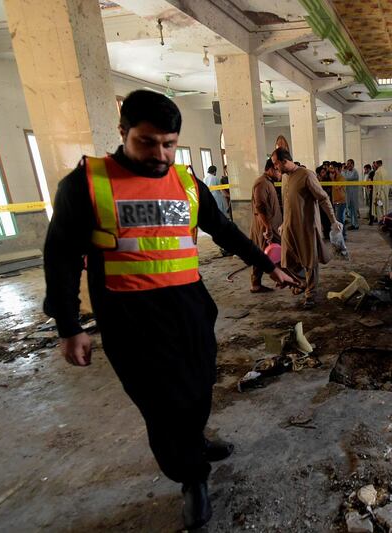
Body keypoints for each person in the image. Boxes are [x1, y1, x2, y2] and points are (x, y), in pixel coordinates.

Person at [42, 90, 296, 530]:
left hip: (190, 308)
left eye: (169, 143)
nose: (160, 154)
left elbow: (223, 230)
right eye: (147, 142)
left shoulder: (185, 182)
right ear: (123, 133)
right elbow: (60, 257)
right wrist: (69, 326)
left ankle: (194, 439)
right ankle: (191, 476)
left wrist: (266, 265)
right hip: (129, 319)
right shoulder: (86, 184)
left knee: (198, 386)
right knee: (160, 405)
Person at [272, 148, 342, 309]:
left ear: (284, 161)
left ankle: (311, 294)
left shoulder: (306, 175)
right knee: (287, 260)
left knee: (310, 261)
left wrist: (333, 220)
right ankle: (302, 282)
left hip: (307, 227)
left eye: (276, 163)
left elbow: (323, 198)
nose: (275, 167)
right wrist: (284, 222)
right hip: (289, 226)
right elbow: (288, 203)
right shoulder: (284, 178)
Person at [250, 159, 284, 293]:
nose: (280, 173)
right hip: (265, 228)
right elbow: (260, 207)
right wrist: (268, 228)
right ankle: (283, 280)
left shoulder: (268, 182)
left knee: (261, 255)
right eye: (277, 170)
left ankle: (256, 283)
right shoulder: (261, 183)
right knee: (268, 254)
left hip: (270, 226)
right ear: (270, 168)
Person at [330, 164, 348, 240]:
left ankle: (343, 235)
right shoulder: (335, 177)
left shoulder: (341, 178)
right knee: (337, 220)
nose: (332, 171)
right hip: (335, 201)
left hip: (341, 201)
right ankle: (341, 235)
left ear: (338, 169)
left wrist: (333, 179)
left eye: (334, 169)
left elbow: (337, 187)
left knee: (340, 220)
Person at [343, 159, 361, 230]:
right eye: (347, 164)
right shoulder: (346, 171)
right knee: (350, 209)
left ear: (353, 164)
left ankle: (355, 225)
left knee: (354, 209)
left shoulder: (355, 172)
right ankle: (352, 223)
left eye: (350, 164)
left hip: (353, 193)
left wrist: (343, 173)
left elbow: (348, 178)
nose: (348, 165)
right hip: (348, 193)